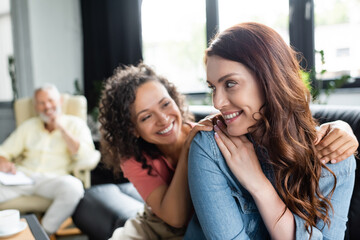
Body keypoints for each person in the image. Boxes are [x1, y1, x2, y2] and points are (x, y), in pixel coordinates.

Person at [99, 63, 357, 240]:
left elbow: (286, 120)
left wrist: (341, 126)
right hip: (157, 225)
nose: (163, 119)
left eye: (165, 104)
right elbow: (175, 218)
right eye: (146, 117)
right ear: (132, 130)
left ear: (175, 100)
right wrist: (189, 148)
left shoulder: (216, 133)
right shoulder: (136, 160)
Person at [184, 22, 358, 240]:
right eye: (213, 87)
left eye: (230, 84)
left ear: (270, 79)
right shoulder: (211, 147)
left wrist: (259, 185)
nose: (217, 102)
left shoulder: (333, 155)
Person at [0, 84, 97, 234]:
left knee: (74, 188)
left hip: (53, 179)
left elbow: (86, 155)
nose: (47, 107)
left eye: (50, 101)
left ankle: (42, 232)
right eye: (41, 103)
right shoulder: (28, 126)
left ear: (60, 102)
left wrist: (62, 129)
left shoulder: (75, 124)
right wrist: (4, 162)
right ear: (36, 107)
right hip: (22, 177)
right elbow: (3, 151)